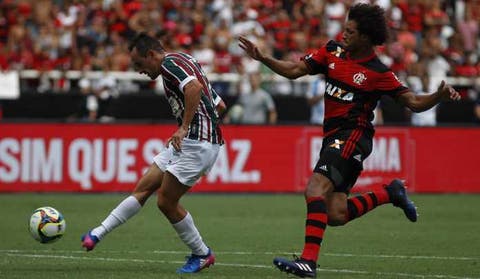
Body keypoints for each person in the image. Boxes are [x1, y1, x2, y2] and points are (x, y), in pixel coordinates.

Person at [239, 3, 461, 278]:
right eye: (345, 28)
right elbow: (295, 70)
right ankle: (389, 192)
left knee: (314, 188)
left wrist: (437, 96)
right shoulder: (332, 51)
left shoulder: (378, 72)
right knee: (335, 214)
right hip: (332, 137)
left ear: (366, 37)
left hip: (353, 137)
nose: (344, 34)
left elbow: (413, 102)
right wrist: (263, 58)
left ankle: (308, 262)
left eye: (351, 31)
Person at [81, 32, 226, 274]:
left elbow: (194, 88)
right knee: (143, 188)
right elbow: (219, 104)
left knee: (166, 202)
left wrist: (186, 127)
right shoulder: (185, 59)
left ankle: (202, 254)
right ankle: (97, 233)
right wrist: (203, 125)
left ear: (151, 55)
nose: (140, 71)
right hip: (192, 140)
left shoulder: (169, 65)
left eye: (139, 64)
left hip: (196, 141)